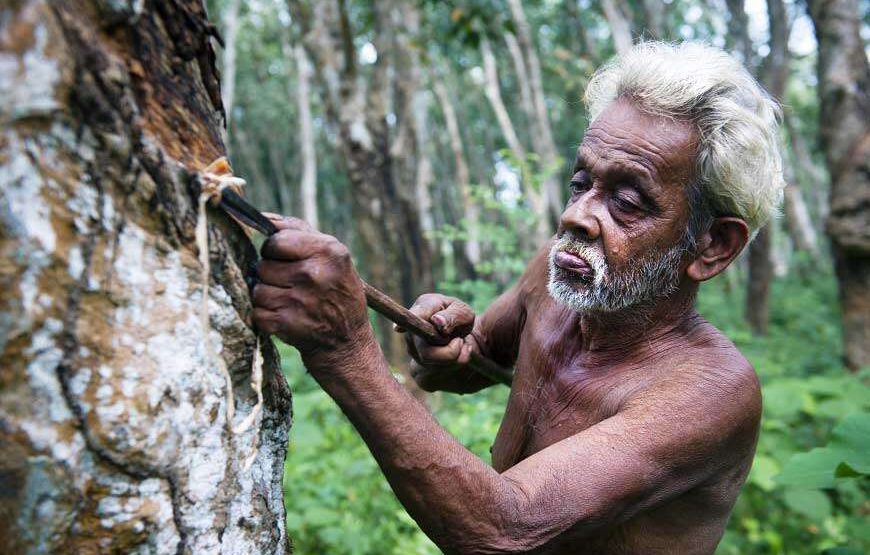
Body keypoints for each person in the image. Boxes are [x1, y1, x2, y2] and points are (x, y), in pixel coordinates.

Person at [252, 42, 784, 554]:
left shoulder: (709, 394)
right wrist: (439, 345)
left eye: (626, 201)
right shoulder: (555, 279)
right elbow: (470, 358)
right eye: (581, 183)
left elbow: (506, 531)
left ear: (713, 245)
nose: (576, 216)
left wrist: (344, 348)